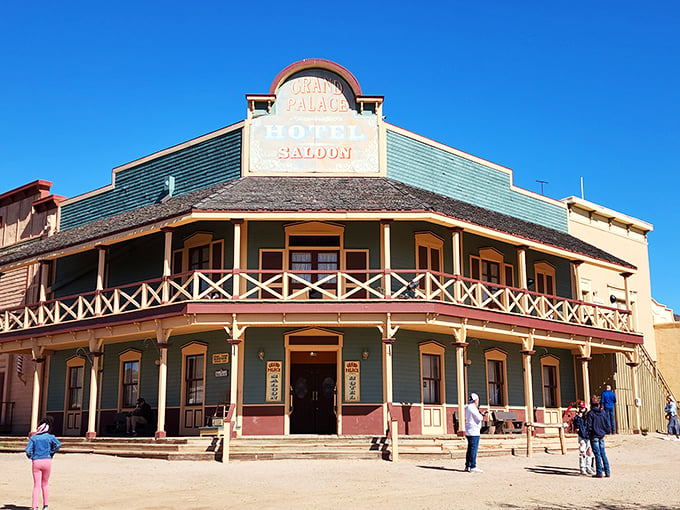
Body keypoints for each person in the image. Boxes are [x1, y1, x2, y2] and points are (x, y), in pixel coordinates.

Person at [25, 416, 61, 510]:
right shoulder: (50, 437)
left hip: (36, 461)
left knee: (36, 485)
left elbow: (28, 450)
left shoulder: (34, 438)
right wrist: (51, 452)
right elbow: (58, 445)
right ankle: (46, 505)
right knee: (45, 484)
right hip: (47, 461)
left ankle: (35, 506)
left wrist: (32, 457)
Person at [586, 397, 611, 478]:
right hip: (601, 435)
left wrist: (589, 433)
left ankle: (599, 472)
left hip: (594, 435)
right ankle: (607, 471)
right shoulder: (603, 412)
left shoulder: (590, 414)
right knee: (603, 453)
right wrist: (606, 431)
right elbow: (607, 423)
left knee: (597, 454)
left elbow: (589, 425)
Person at [464, 392, 488, 473]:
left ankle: (468, 465)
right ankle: (473, 465)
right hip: (473, 431)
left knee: (470, 449)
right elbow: (479, 418)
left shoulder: (467, 407)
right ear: (475, 400)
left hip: (469, 430)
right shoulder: (473, 408)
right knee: (473, 449)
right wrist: (481, 415)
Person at [572, 402, 595, 475]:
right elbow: (576, 425)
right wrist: (579, 418)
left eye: (582, 407)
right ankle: (582, 467)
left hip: (589, 436)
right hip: (582, 436)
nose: (581, 409)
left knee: (589, 452)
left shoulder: (588, 416)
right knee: (582, 452)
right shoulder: (577, 417)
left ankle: (588, 467)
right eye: (580, 407)